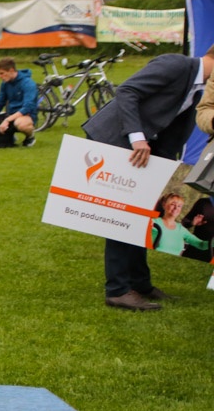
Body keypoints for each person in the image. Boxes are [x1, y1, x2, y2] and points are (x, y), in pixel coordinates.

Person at [83, 48, 214, 310]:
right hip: (117, 141)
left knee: (142, 216)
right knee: (122, 217)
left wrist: (165, 169)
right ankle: (118, 290)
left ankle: (140, 283)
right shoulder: (175, 64)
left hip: (145, 152)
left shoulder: (198, 86)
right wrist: (137, 137)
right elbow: (127, 91)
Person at [151, 192, 209, 257]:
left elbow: (201, 245)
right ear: (164, 205)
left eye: (179, 206)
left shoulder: (181, 229)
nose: (176, 208)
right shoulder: (153, 222)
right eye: (173, 204)